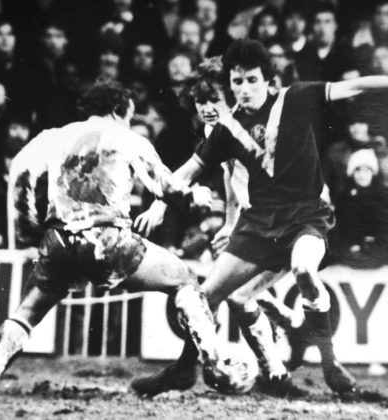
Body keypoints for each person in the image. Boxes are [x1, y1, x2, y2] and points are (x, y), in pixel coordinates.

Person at [132, 38, 388, 398]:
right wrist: (159, 203)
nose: (244, 89)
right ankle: (183, 369)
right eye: (236, 81)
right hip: (259, 223)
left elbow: (356, 86)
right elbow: (189, 170)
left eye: (251, 80)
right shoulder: (228, 128)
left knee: (303, 269)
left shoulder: (296, 97)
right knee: (205, 297)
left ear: (268, 80)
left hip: (307, 215)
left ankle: (330, 363)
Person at [0, 81, 227, 396]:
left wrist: (28, 230)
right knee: (184, 279)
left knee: (27, 312)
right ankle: (214, 362)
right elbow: (165, 187)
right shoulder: (128, 138)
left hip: (59, 241)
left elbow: (20, 173)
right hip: (110, 241)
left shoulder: (53, 136)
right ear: (119, 110)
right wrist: (194, 196)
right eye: (129, 114)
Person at [132, 56, 307, 398]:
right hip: (258, 221)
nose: (207, 108)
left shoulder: (252, 126)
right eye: (200, 101)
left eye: (214, 99)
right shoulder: (218, 131)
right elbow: (230, 178)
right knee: (231, 296)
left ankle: (187, 368)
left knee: (218, 295)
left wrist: (160, 204)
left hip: (288, 221)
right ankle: (281, 359)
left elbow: (196, 172)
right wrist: (230, 223)